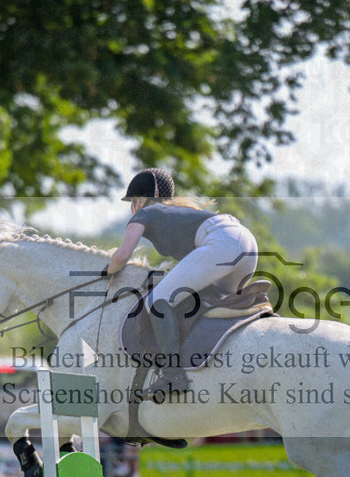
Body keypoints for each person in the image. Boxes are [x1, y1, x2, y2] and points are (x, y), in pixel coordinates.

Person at [108, 168, 258, 397]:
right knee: (206, 302)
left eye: (133, 200)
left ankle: (173, 375)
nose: (132, 206)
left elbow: (122, 256)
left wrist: (106, 272)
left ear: (141, 199)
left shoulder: (145, 213)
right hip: (246, 244)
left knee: (158, 300)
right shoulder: (176, 212)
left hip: (222, 243)